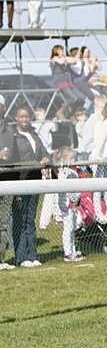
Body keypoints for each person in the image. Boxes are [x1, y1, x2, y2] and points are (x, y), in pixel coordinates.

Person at [12, 105, 48, 267]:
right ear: (16, 118)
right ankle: (21, 257)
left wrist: (46, 159)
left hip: (35, 180)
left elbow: (44, 152)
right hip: (21, 181)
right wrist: (35, 163)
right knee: (21, 219)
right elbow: (16, 161)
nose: (24, 119)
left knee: (30, 219)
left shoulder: (34, 135)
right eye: (21, 116)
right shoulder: (13, 137)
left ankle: (33, 255)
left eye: (27, 116)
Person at [52, 146, 85, 262]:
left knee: (72, 227)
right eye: (72, 159)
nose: (74, 161)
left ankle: (73, 249)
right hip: (67, 204)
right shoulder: (64, 172)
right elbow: (66, 188)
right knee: (68, 227)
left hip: (74, 203)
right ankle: (67, 252)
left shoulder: (72, 171)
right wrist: (74, 200)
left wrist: (77, 199)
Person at [0, 95, 18, 270]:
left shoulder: (9, 129)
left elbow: (12, 152)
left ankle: (1, 258)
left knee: (4, 222)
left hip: (7, 178)